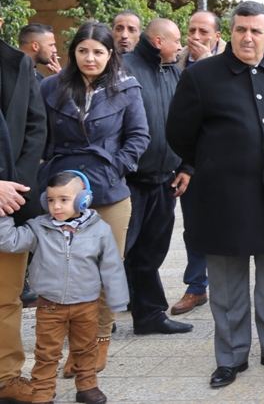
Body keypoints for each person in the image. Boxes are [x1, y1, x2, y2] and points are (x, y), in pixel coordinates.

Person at [167, 1, 264, 388]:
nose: (248, 37)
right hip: (223, 198)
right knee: (227, 284)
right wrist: (212, 163)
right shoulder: (201, 76)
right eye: (241, 29)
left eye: (256, 30)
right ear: (229, 33)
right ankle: (230, 358)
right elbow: (179, 132)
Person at [38, 21, 149, 375]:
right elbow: (39, 136)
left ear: (110, 54)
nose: (90, 58)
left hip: (108, 190)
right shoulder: (49, 87)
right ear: (72, 52)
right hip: (61, 192)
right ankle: (74, 346)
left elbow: (139, 136)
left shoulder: (126, 87)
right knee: (66, 273)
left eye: (98, 51)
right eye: (83, 50)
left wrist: (115, 168)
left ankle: (97, 342)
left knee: (104, 272)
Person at [0, 170, 128, 404]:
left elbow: (112, 267)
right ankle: (42, 392)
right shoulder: (38, 228)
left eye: (64, 200)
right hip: (50, 305)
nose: (56, 206)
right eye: (50, 200)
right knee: (46, 353)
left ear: (83, 200)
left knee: (86, 348)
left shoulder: (99, 230)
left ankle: (87, 386)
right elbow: (11, 241)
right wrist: (2, 217)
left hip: (87, 304)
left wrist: (117, 299)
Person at [120, 19, 194, 336]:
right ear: (157, 41)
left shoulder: (175, 73)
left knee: (151, 251)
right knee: (116, 251)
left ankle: (149, 315)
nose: (181, 47)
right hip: (128, 181)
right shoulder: (121, 69)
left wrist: (187, 167)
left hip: (166, 179)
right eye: (176, 41)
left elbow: (190, 124)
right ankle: (91, 323)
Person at [0, 30, 47, 404]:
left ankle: (6, 378)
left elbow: (36, 129)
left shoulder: (18, 64)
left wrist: (13, 186)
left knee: (6, 298)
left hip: (11, 200)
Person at [171, 10, 224, 316]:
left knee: (223, 224)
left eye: (204, 32)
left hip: (221, 162)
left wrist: (205, 65)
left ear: (217, 37)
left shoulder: (228, 64)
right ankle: (196, 287)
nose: (196, 37)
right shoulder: (173, 62)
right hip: (186, 161)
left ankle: (226, 284)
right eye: (192, 30)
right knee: (192, 226)